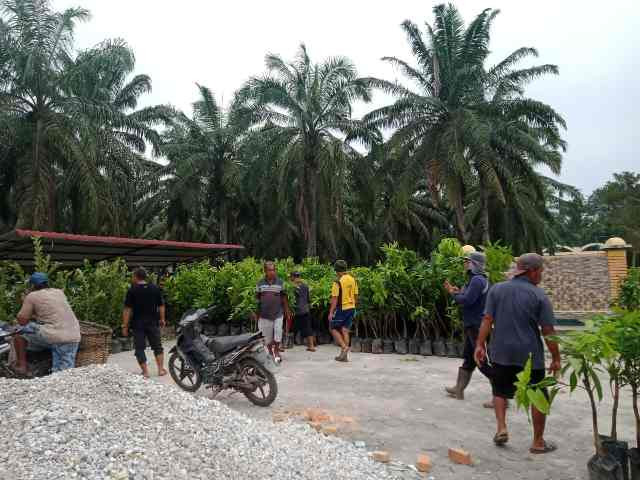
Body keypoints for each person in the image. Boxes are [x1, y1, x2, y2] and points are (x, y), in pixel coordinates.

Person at [474, 253, 561, 453]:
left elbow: (487, 320)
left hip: (500, 352)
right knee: (538, 395)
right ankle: (538, 442)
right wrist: (556, 358)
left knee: (499, 390)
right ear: (532, 271)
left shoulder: (497, 290)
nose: (541, 275)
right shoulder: (539, 295)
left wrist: (480, 345)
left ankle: (501, 428)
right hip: (529, 356)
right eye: (540, 271)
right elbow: (548, 330)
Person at [444, 252, 493, 405]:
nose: (465, 264)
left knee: (482, 361)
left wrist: (453, 294)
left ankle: (500, 394)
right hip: (472, 324)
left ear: (474, 264)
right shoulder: (475, 280)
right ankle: (459, 389)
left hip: (476, 326)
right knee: (468, 359)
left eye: (467, 261)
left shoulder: (477, 280)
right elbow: (467, 297)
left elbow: (467, 300)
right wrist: (458, 292)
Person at [13, 272, 81, 375]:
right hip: (74, 335)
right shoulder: (59, 292)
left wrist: (25, 300)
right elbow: (51, 312)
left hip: (55, 336)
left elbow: (22, 320)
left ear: (32, 285)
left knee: (19, 333)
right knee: (65, 373)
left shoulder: (32, 296)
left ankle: (22, 366)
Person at [122, 267, 166, 379]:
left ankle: (145, 372)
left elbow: (127, 310)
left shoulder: (132, 290)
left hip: (138, 324)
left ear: (136, 277)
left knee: (139, 348)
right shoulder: (155, 288)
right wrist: (162, 319)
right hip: (153, 322)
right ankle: (160, 370)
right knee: (157, 346)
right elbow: (161, 306)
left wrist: (125, 326)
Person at [255, 261, 291, 363]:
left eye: (274, 270)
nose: (272, 272)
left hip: (278, 313)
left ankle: (276, 350)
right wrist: (256, 314)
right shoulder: (260, 283)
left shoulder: (280, 282)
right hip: (264, 314)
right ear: (265, 271)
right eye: (270, 270)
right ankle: (271, 351)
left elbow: (284, 297)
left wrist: (287, 311)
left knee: (278, 332)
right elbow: (257, 299)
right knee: (267, 337)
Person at [328, 260, 358, 362]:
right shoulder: (353, 279)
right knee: (345, 330)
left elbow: (334, 299)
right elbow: (355, 295)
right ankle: (344, 356)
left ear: (337, 271)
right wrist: (354, 306)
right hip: (352, 307)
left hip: (342, 308)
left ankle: (344, 347)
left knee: (332, 328)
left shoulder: (337, 282)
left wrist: (331, 312)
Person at [290, 271, 315, 352]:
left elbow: (292, 299)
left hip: (297, 310)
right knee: (308, 327)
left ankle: (285, 344)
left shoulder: (292, 286)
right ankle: (311, 346)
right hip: (305, 309)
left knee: (291, 328)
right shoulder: (305, 285)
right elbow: (308, 298)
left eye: (291, 277)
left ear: (293, 277)